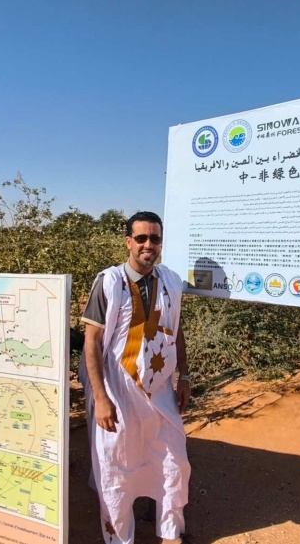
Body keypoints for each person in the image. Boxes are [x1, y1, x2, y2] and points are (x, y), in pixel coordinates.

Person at [80, 211, 191, 544]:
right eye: (141, 238)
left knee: (174, 461)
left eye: (154, 238)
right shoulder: (109, 282)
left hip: (160, 390)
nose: (148, 245)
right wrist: (101, 398)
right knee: (116, 467)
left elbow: (176, 330)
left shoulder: (170, 281)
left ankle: (170, 532)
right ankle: (119, 538)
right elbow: (92, 341)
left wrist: (185, 375)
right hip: (118, 390)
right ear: (128, 242)